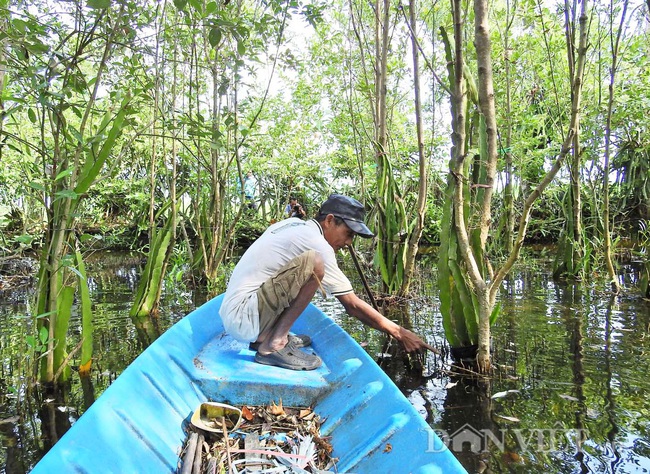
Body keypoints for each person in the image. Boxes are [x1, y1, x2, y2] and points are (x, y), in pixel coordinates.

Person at [219, 193, 437, 371]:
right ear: (330, 220)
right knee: (314, 263)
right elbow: (351, 305)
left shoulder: (293, 224)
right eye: (348, 234)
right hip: (244, 317)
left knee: (308, 266)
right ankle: (273, 345)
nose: (349, 243)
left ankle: (266, 337)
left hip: (241, 315)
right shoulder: (316, 243)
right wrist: (399, 332)